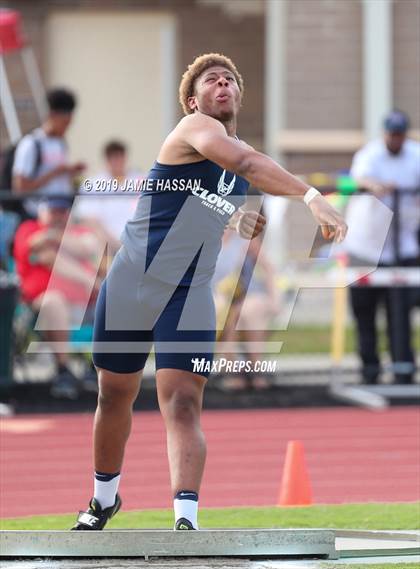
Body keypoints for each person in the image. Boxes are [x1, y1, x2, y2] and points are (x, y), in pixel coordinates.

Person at [71, 53, 346, 532]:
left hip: (188, 293)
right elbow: (243, 161)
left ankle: (185, 518)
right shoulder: (194, 128)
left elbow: (209, 196)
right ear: (193, 99)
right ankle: (102, 501)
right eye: (211, 80)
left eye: (229, 81)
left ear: (238, 95)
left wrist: (239, 217)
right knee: (114, 395)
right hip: (133, 282)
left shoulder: (236, 163)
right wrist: (311, 195)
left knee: (181, 400)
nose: (222, 85)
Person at [345, 110, 420, 384]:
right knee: (364, 312)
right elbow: (360, 178)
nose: (395, 140)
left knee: (400, 312)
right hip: (365, 247)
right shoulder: (370, 154)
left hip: (403, 247)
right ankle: (370, 370)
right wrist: (375, 186)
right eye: (391, 134)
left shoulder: (415, 154)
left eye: (400, 134)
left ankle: (403, 371)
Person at [13, 195, 101, 398]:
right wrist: (90, 281)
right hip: (41, 307)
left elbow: (89, 247)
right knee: (54, 301)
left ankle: (96, 368)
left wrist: (55, 237)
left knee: (114, 302)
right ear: (42, 212)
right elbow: (39, 249)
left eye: (62, 212)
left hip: (86, 304)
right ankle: (64, 370)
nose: (58, 216)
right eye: (53, 211)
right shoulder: (29, 228)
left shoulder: (78, 231)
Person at [12, 88, 85, 217]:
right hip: (37, 214)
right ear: (52, 115)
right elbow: (20, 188)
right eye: (64, 123)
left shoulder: (61, 144)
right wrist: (56, 172)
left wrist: (70, 172)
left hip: (61, 212)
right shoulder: (31, 144)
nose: (66, 128)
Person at [76, 140, 141, 255]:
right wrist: (113, 243)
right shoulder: (93, 184)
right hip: (104, 242)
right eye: (113, 158)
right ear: (106, 159)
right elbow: (90, 220)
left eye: (119, 157)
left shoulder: (139, 181)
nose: (117, 161)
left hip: (137, 241)